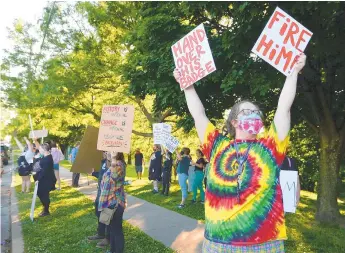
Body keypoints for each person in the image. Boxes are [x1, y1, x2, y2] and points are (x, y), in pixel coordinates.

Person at [173, 53, 306, 252]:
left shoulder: (270, 147)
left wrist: (294, 71)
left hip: (265, 244)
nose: (253, 115)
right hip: (218, 243)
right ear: (234, 122)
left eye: (256, 113)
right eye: (246, 112)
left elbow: (283, 108)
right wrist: (187, 85)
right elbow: (198, 115)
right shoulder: (217, 145)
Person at [98, 152, 126, 253]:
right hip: (109, 202)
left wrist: (113, 159)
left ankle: (118, 251)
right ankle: (113, 250)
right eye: (107, 151)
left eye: (110, 151)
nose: (107, 153)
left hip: (116, 202)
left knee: (117, 230)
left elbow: (114, 177)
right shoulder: (113, 164)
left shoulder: (119, 164)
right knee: (112, 229)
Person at [88, 152, 110, 249]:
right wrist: (93, 173)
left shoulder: (114, 163)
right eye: (104, 152)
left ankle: (107, 237)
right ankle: (101, 233)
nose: (104, 153)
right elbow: (102, 175)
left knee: (107, 215)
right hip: (100, 192)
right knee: (98, 212)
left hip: (107, 194)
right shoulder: (103, 162)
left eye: (106, 151)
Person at [33, 142, 56, 217]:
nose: (39, 149)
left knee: (43, 194)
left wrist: (38, 179)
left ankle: (46, 210)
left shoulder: (47, 159)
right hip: (44, 179)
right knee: (40, 193)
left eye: (40, 148)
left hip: (46, 180)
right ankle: (45, 209)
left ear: (44, 149)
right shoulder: (46, 156)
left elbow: (44, 171)